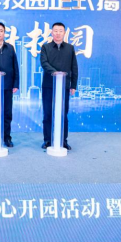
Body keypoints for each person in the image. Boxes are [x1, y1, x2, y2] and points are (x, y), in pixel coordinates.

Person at [40, 22, 78, 151]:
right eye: (55, 30)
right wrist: (55, 73)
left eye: (60, 31)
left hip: (64, 86)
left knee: (63, 114)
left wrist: (73, 85)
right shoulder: (45, 47)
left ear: (64, 33)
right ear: (51, 32)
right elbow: (44, 63)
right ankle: (47, 140)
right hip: (48, 86)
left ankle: (63, 140)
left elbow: (74, 67)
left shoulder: (70, 48)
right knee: (48, 114)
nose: (58, 33)